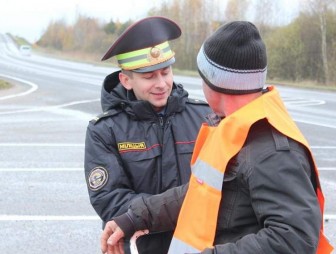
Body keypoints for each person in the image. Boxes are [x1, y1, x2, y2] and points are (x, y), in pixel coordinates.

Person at [101, 21, 334, 254]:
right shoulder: (234, 129)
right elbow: (202, 192)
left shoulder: (270, 148)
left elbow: (293, 239)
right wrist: (136, 216)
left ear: (215, 83)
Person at [84, 16, 213, 254]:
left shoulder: (204, 117)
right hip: (137, 246)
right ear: (126, 80)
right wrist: (174, 211)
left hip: (197, 245)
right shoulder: (104, 130)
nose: (161, 83)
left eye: (165, 72)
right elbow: (109, 198)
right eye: (149, 76)